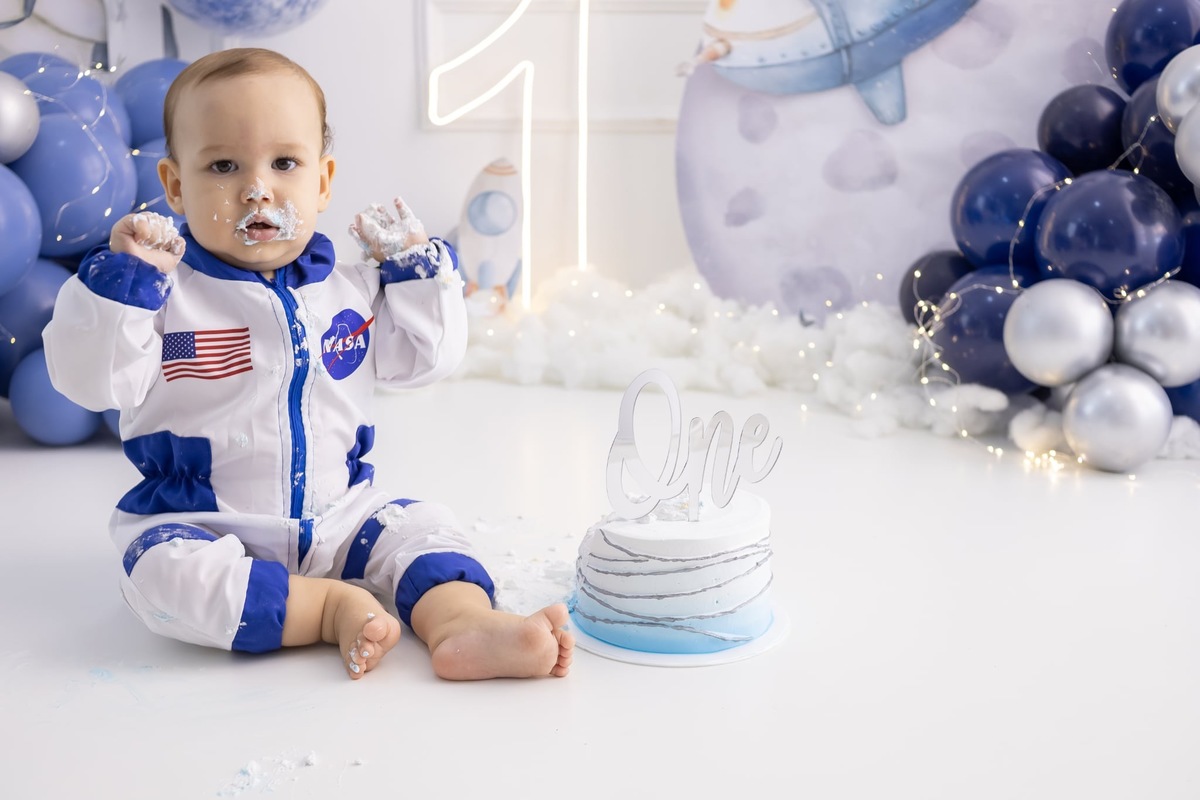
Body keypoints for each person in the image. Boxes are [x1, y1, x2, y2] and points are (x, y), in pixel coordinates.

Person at [43, 47, 573, 681]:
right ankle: (326, 607)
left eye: (284, 162)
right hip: (203, 525)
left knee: (422, 527)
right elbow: (92, 380)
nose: (257, 187)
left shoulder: (351, 290)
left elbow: (422, 361)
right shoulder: (161, 295)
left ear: (322, 181)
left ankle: (460, 621)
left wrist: (412, 272)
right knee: (162, 579)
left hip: (340, 516)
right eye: (223, 166)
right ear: (176, 187)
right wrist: (125, 284)